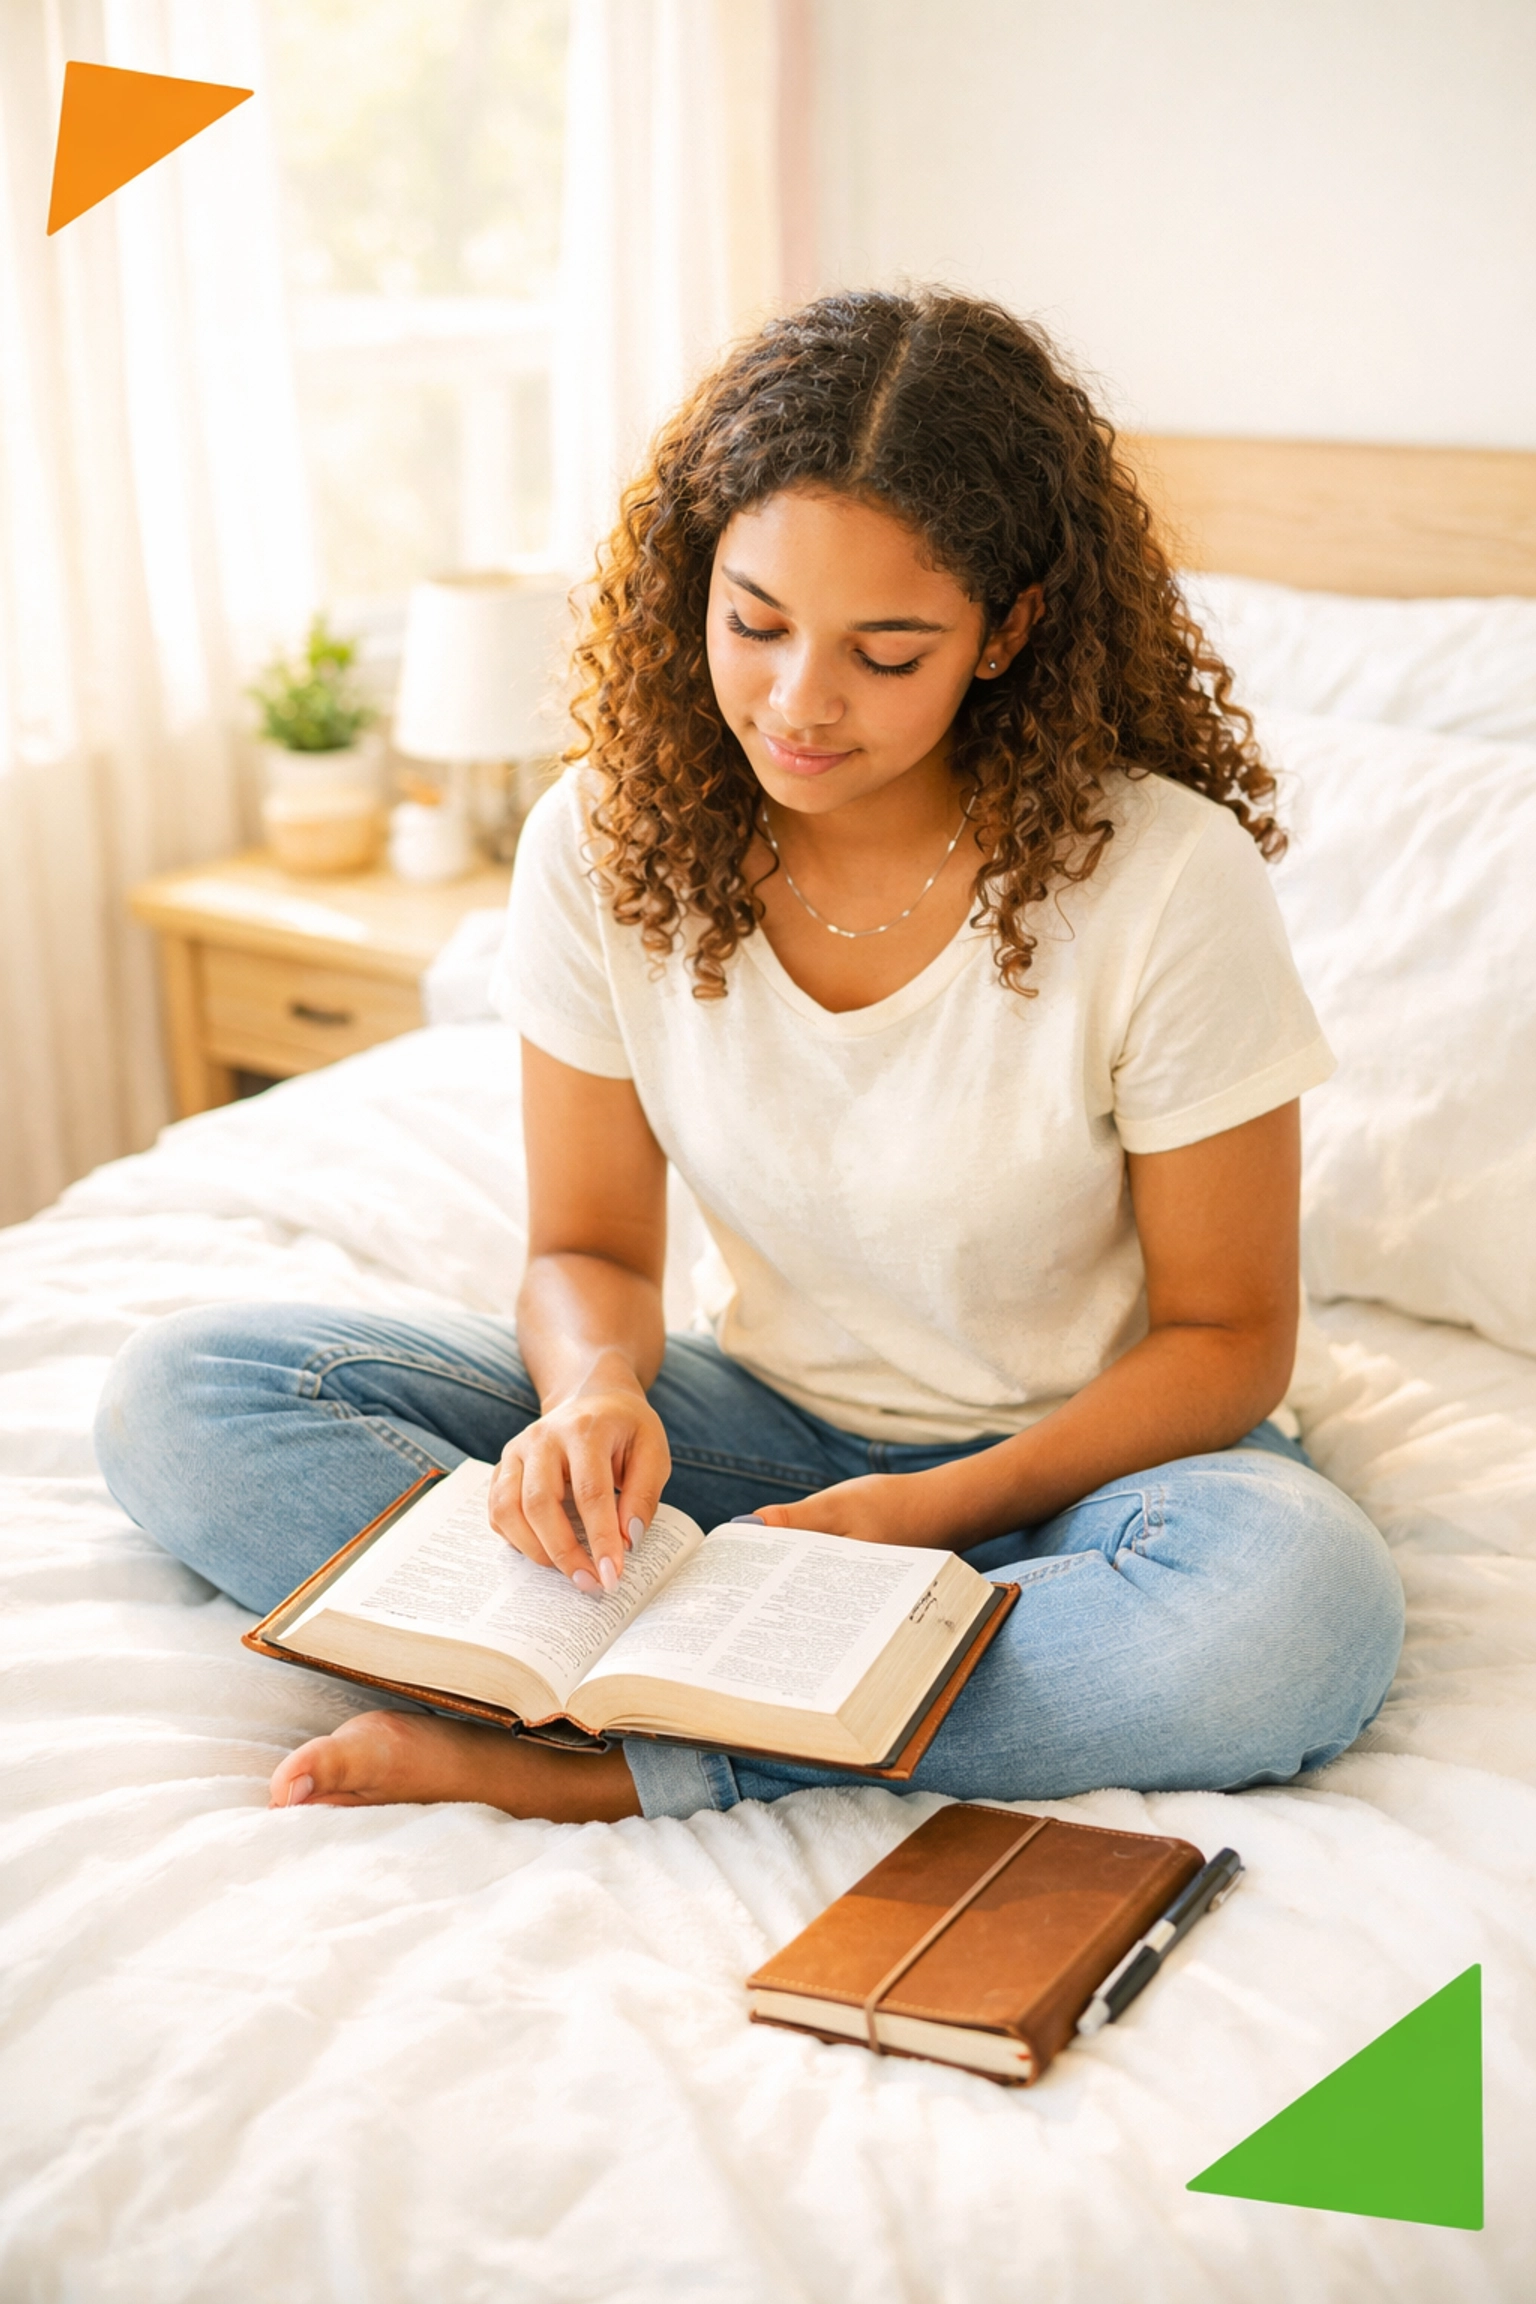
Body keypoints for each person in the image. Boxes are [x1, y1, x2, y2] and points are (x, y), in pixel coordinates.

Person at [94, 289, 1404, 1825]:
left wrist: (928, 1515)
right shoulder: (604, 840)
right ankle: (731, 1668)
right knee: (186, 1395)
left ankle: (619, 1764)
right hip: (760, 1444)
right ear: (693, 578)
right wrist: (592, 1395)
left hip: (1095, 1484)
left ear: (1008, 631)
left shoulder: (1164, 879)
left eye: (885, 652)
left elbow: (1229, 1334)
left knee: (1294, 1614)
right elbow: (587, 1249)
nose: (796, 704)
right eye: (756, 623)